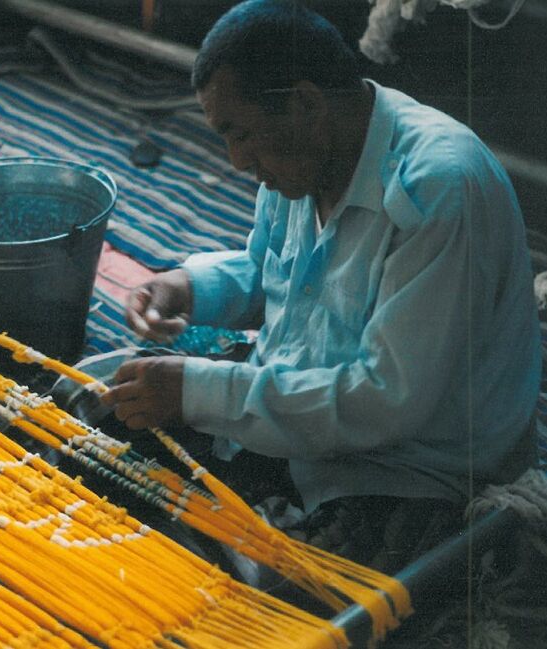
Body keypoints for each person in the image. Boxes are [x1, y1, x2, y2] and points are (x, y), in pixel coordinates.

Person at [101, 0, 540, 570]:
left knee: (261, 590)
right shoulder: (302, 157)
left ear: (306, 103)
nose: (237, 160)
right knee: (109, 422)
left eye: (242, 135)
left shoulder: (437, 188)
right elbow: (278, 275)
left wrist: (197, 392)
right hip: (305, 419)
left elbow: (384, 400)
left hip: (411, 465)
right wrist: (188, 287)